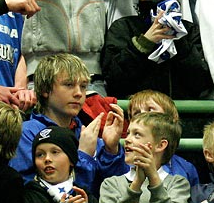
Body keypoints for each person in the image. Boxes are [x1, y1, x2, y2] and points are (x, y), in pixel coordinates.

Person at [9, 54, 126, 195]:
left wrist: (111, 150)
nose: (79, 93)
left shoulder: (86, 133)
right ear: (45, 90)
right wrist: (83, 156)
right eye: (69, 85)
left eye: (83, 86)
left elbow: (118, 191)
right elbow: (33, 194)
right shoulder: (26, 134)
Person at [102, 0, 212, 99]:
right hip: (137, 115)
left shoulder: (190, 31)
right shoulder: (124, 27)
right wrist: (144, 43)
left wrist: (179, 38)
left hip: (180, 116)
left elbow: (201, 83)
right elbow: (113, 79)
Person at [100, 112, 190, 203]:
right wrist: (136, 184)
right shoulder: (111, 184)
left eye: (137, 134)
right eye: (128, 133)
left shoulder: (177, 183)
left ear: (160, 145)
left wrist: (154, 179)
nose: (127, 139)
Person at [126, 90, 200, 187]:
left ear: (171, 119)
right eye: (136, 113)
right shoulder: (123, 163)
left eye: (150, 110)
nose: (143, 115)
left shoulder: (185, 169)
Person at [25, 126, 96, 203]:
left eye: (55, 152)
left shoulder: (84, 195)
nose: (47, 159)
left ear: (71, 159)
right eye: (40, 154)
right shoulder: (27, 196)